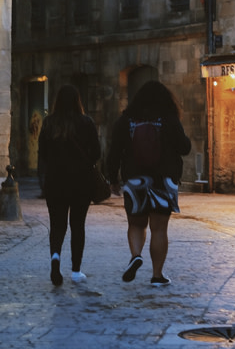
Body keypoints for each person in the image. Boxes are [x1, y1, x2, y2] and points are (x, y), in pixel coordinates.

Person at [107, 81, 191, 287]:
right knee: (159, 229)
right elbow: (184, 147)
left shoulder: (126, 120)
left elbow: (114, 151)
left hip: (135, 180)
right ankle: (157, 275)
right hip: (164, 180)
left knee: (136, 224)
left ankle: (136, 255)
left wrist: (113, 178)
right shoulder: (169, 119)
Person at [38, 84, 101, 286]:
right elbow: (97, 153)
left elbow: (43, 154)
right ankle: (75, 270)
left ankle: (55, 258)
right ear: (77, 101)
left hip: (55, 181)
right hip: (80, 182)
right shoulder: (86, 122)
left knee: (57, 225)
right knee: (77, 225)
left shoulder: (49, 123)